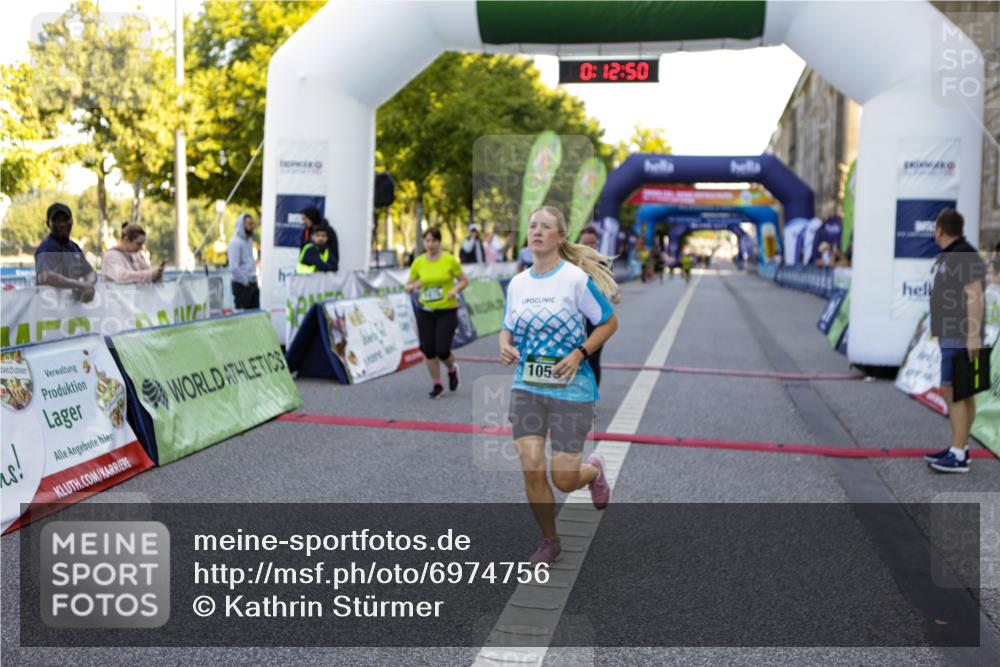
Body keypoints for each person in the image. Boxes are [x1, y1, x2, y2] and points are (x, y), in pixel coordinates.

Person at [500, 207, 619, 566]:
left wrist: (580, 353)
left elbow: (609, 322)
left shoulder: (575, 280)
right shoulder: (518, 284)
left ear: (560, 237)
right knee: (532, 467)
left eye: (545, 227)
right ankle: (549, 541)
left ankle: (593, 471)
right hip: (527, 386)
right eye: (532, 226)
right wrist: (504, 345)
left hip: (571, 387)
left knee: (565, 479)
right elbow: (508, 326)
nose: (537, 231)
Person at [923, 209, 987, 473]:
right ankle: (959, 447)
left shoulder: (961, 255)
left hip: (959, 334)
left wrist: (972, 335)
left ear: (940, 230)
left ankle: (958, 454)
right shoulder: (955, 254)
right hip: (954, 333)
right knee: (963, 393)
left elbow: (974, 294)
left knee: (953, 392)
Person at [405, 227, 469, 398]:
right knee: (429, 350)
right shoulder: (419, 262)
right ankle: (437, 384)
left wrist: (455, 289)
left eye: (434, 240)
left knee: (442, 350)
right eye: (427, 241)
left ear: (439, 242)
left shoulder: (449, 260)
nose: (430, 244)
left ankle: (452, 369)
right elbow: (408, 284)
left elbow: (464, 280)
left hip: (447, 310)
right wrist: (413, 286)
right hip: (426, 311)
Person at [578, 226, 620, 388]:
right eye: (585, 243)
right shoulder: (571, 262)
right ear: (579, 242)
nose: (588, 247)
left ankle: (592, 394)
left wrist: (615, 295)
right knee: (574, 355)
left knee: (593, 356)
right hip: (574, 316)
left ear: (597, 244)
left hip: (596, 318)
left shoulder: (605, 263)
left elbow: (611, 285)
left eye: (592, 243)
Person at [34, 202, 97, 302]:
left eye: (65, 219)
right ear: (48, 224)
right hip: (48, 306)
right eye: (57, 220)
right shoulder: (46, 247)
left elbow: (90, 272)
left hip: (72, 307)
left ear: (72, 221)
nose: (62, 224)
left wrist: (88, 284)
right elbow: (45, 276)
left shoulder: (74, 247)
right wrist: (80, 285)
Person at [228, 213, 260, 309]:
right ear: (242, 225)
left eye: (252, 223)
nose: (252, 226)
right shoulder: (235, 242)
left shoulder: (249, 241)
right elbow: (233, 267)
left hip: (252, 282)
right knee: (242, 314)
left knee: (255, 314)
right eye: (249, 224)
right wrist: (244, 281)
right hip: (242, 285)